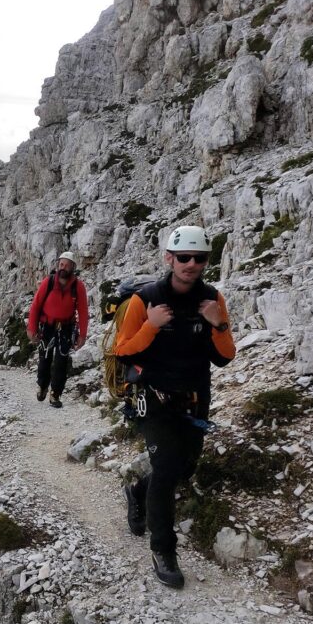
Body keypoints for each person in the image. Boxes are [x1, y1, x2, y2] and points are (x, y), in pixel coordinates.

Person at [115, 225, 236, 588]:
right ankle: (163, 550)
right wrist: (151, 326)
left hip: (195, 397)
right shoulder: (145, 299)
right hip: (153, 397)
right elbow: (123, 350)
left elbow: (225, 357)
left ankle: (137, 493)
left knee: (184, 468)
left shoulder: (212, 300)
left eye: (199, 258)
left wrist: (219, 323)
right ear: (170, 258)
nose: (191, 264)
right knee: (166, 467)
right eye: (184, 257)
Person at [26, 252, 89, 408]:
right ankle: (42, 386)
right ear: (57, 265)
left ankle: (55, 394)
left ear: (73, 267)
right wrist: (32, 328)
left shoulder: (78, 286)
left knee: (61, 361)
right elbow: (35, 306)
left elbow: (83, 311)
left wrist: (82, 335)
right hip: (47, 326)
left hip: (66, 327)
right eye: (61, 264)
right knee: (45, 358)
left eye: (67, 265)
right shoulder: (48, 282)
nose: (63, 268)